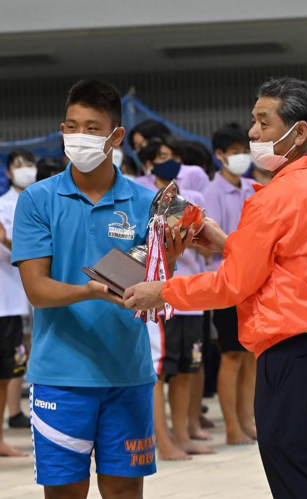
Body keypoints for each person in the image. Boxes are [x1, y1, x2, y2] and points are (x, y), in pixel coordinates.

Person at [124, 77, 307, 499]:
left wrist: (162, 290)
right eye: (253, 121)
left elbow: (233, 284)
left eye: (263, 123)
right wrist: (226, 241)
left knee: (299, 482)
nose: (252, 133)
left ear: (299, 131)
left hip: (294, 354)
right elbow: (292, 264)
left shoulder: (275, 197)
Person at [11, 80, 189, 499]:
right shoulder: (37, 200)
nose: (79, 137)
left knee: (125, 492)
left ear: (116, 136)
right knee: (65, 494)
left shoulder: (149, 201)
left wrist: (171, 260)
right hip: (60, 377)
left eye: (92, 128)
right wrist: (90, 291)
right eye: (71, 127)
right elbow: (36, 290)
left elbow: (159, 277)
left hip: (127, 373)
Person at [134, 136, 213, 458]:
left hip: (189, 292)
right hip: (157, 293)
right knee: (158, 370)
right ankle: (160, 440)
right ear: (149, 162)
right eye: (161, 156)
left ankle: (181, 434)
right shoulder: (139, 193)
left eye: (173, 155)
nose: (168, 161)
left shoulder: (190, 195)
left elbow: (202, 235)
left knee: (185, 369)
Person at [205, 122, 257, 445]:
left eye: (244, 151)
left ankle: (248, 418)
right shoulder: (211, 192)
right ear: (220, 155)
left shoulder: (251, 186)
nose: (241, 157)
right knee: (231, 355)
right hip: (225, 280)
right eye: (234, 152)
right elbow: (205, 240)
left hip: (253, 279)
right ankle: (231, 426)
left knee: (252, 354)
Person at [0, 149, 35, 455]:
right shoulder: (4, 206)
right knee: (6, 369)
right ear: (8, 173)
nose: (25, 170)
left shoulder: (37, 200)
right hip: (6, 298)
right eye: (18, 166)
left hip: (25, 297)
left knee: (14, 364)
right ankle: (11, 417)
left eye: (29, 164)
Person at [136, 135, 210, 193]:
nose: (170, 161)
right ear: (150, 164)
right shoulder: (139, 187)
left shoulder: (193, 197)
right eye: (163, 157)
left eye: (175, 157)